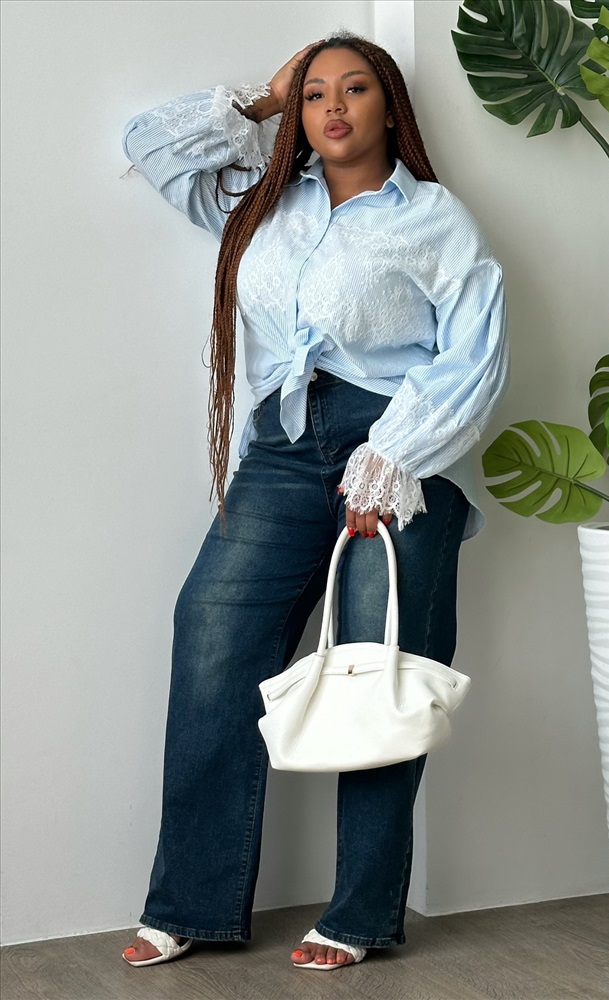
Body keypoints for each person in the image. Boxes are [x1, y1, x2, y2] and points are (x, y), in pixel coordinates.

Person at [120, 32, 508, 972]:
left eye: (355, 88)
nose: (333, 106)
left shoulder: (434, 219)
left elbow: (476, 350)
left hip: (397, 440)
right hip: (284, 445)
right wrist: (262, 97)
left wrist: (393, 456)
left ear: (389, 106)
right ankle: (194, 901)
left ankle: (361, 913)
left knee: (378, 667)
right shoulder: (263, 205)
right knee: (212, 632)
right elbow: (147, 145)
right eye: (315, 93)